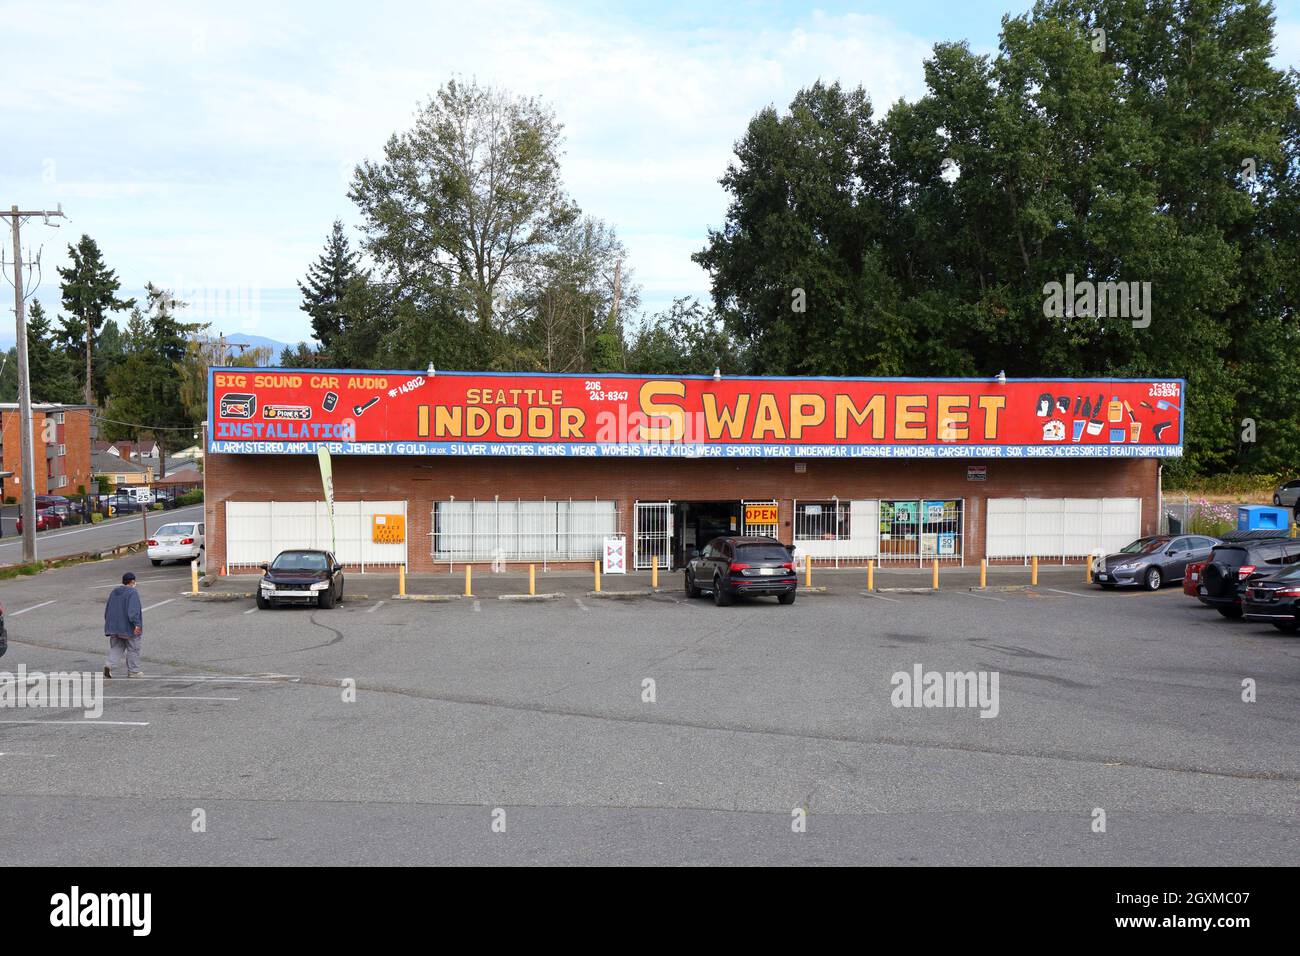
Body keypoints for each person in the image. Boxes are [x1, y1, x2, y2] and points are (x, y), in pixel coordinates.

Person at [104, 571, 144, 679]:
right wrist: (137, 624)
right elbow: (133, 611)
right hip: (127, 627)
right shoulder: (132, 593)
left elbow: (107, 610)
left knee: (117, 647)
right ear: (132, 582)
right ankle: (133, 671)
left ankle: (109, 665)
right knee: (133, 648)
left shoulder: (114, 592)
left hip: (113, 626)